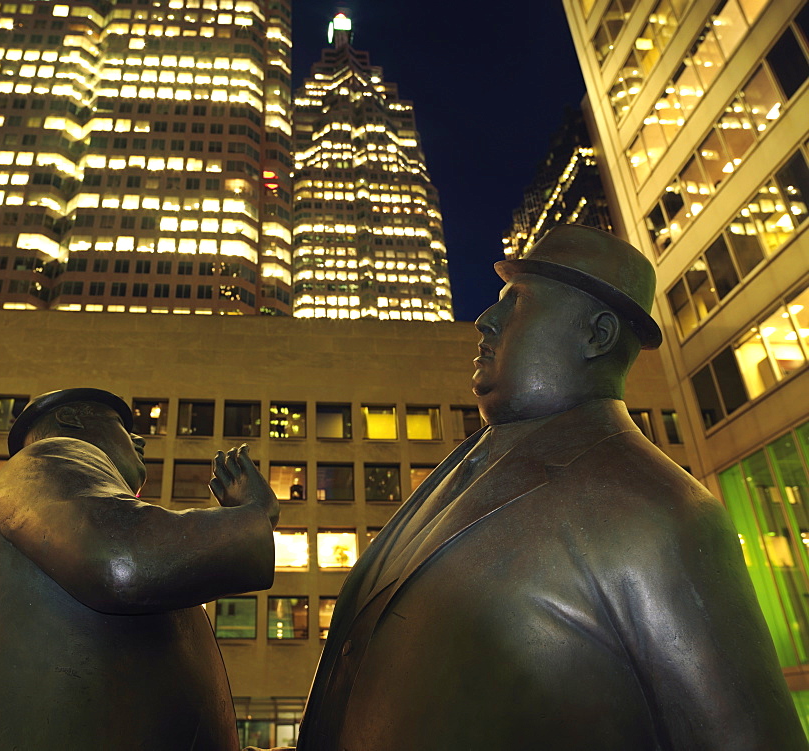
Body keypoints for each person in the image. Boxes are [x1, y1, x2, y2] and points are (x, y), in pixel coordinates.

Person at [291, 226, 807, 749]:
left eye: (515, 304)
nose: (484, 321)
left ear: (597, 335)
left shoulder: (662, 511)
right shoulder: (461, 467)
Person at [0, 388, 279, 751]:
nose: (138, 439)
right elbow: (122, 563)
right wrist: (252, 516)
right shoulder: (48, 457)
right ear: (71, 419)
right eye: (120, 426)